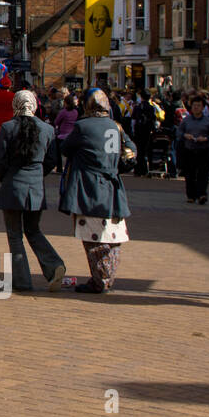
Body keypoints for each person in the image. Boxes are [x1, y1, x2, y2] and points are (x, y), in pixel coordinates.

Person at [60, 89, 135, 294]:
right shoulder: (115, 125)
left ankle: (99, 279)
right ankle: (108, 276)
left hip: (90, 185)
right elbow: (131, 149)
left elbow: (66, 148)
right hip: (113, 186)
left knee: (93, 236)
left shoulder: (83, 126)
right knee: (112, 236)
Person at [0, 90, 65, 291]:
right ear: (34, 104)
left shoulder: (8, 128)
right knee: (33, 230)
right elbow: (52, 160)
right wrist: (38, 174)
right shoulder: (47, 129)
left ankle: (22, 280)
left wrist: (6, 178)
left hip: (13, 185)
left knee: (15, 235)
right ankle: (54, 265)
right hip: (36, 187)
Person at [177, 94, 209, 205]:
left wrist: (206, 138)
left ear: (203, 107)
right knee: (189, 174)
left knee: (203, 174)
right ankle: (191, 195)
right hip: (189, 150)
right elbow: (179, 132)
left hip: (203, 150)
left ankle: (202, 194)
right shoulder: (186, 120)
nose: (196, 108)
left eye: (199, 106)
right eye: (194, 105)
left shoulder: (208, 121)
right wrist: (185, 135)